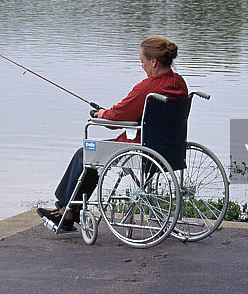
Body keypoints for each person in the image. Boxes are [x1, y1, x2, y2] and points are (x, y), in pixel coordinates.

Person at [37, 35, 189, 232]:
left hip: (141, 148)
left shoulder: (148, 88)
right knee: (91, 154)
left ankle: (66, 211)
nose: (142, 66)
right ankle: (69, 211)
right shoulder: (179, 83)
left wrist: (102, 114)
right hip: (170, 148)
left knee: (85, 154)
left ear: (153, 62)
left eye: (142, 62)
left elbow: (116, 118)